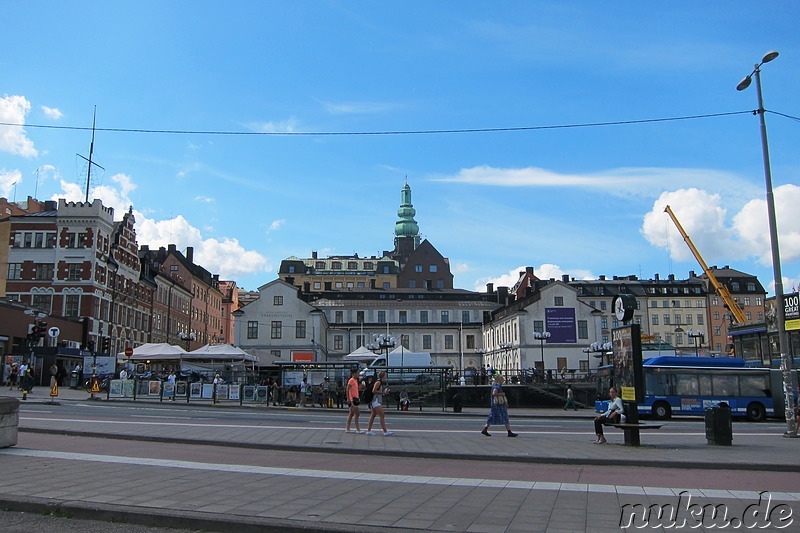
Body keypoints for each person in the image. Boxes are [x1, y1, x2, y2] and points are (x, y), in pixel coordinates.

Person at [366, 371, 393, 436]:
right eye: (385, 375)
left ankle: (369, 430)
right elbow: (374, 390)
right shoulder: (378, 382)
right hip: (375, 401)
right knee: (382, 415)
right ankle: (385, 431)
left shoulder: (380, 382)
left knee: (373, 415)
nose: (386, 376)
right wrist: (383, 393)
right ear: (383, 376)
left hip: (376, 400)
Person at [345, 369, 363, 433]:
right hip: (352, 399)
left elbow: (355, 389)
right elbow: (348, 388)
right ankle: (357, 429)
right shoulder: (351, 380)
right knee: (357, 413)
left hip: (355, 398)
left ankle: (348, 428)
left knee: (351, 414)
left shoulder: (355, 380)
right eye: (357, 373)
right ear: (354, 374)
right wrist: (348, 398)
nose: (358, 374)